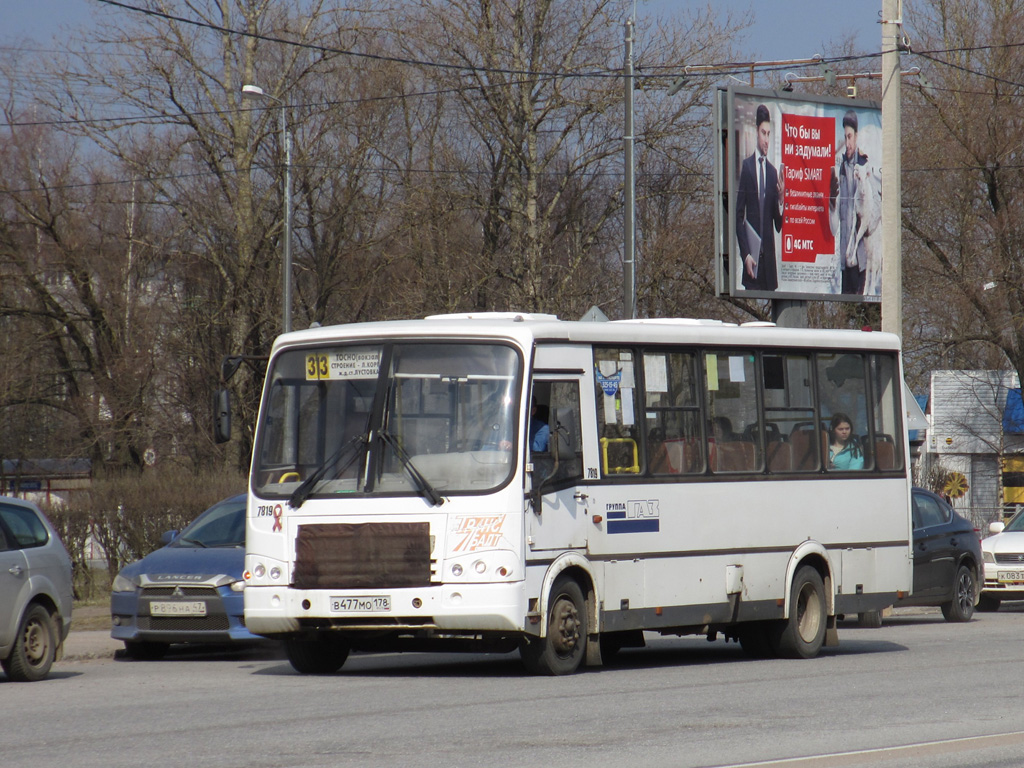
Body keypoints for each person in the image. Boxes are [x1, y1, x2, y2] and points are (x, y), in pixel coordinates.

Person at [736, 103, 784, 291]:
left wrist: (781, 200)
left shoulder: (773, 173)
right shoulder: (747, 168)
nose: (766, 140)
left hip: (769, 268)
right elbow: (739, 217)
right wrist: (746, 254)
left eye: (769, 134)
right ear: (757, 132)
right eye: (763, 133)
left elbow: (778, 226)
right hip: (753, 262)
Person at [830, 110, 870, 294]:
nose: (847, 143)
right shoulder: (841, 168)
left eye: (850, 137)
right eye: (845, 137)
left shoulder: (864, 164)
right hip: (845, 259)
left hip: (860, 258)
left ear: (856, 136)